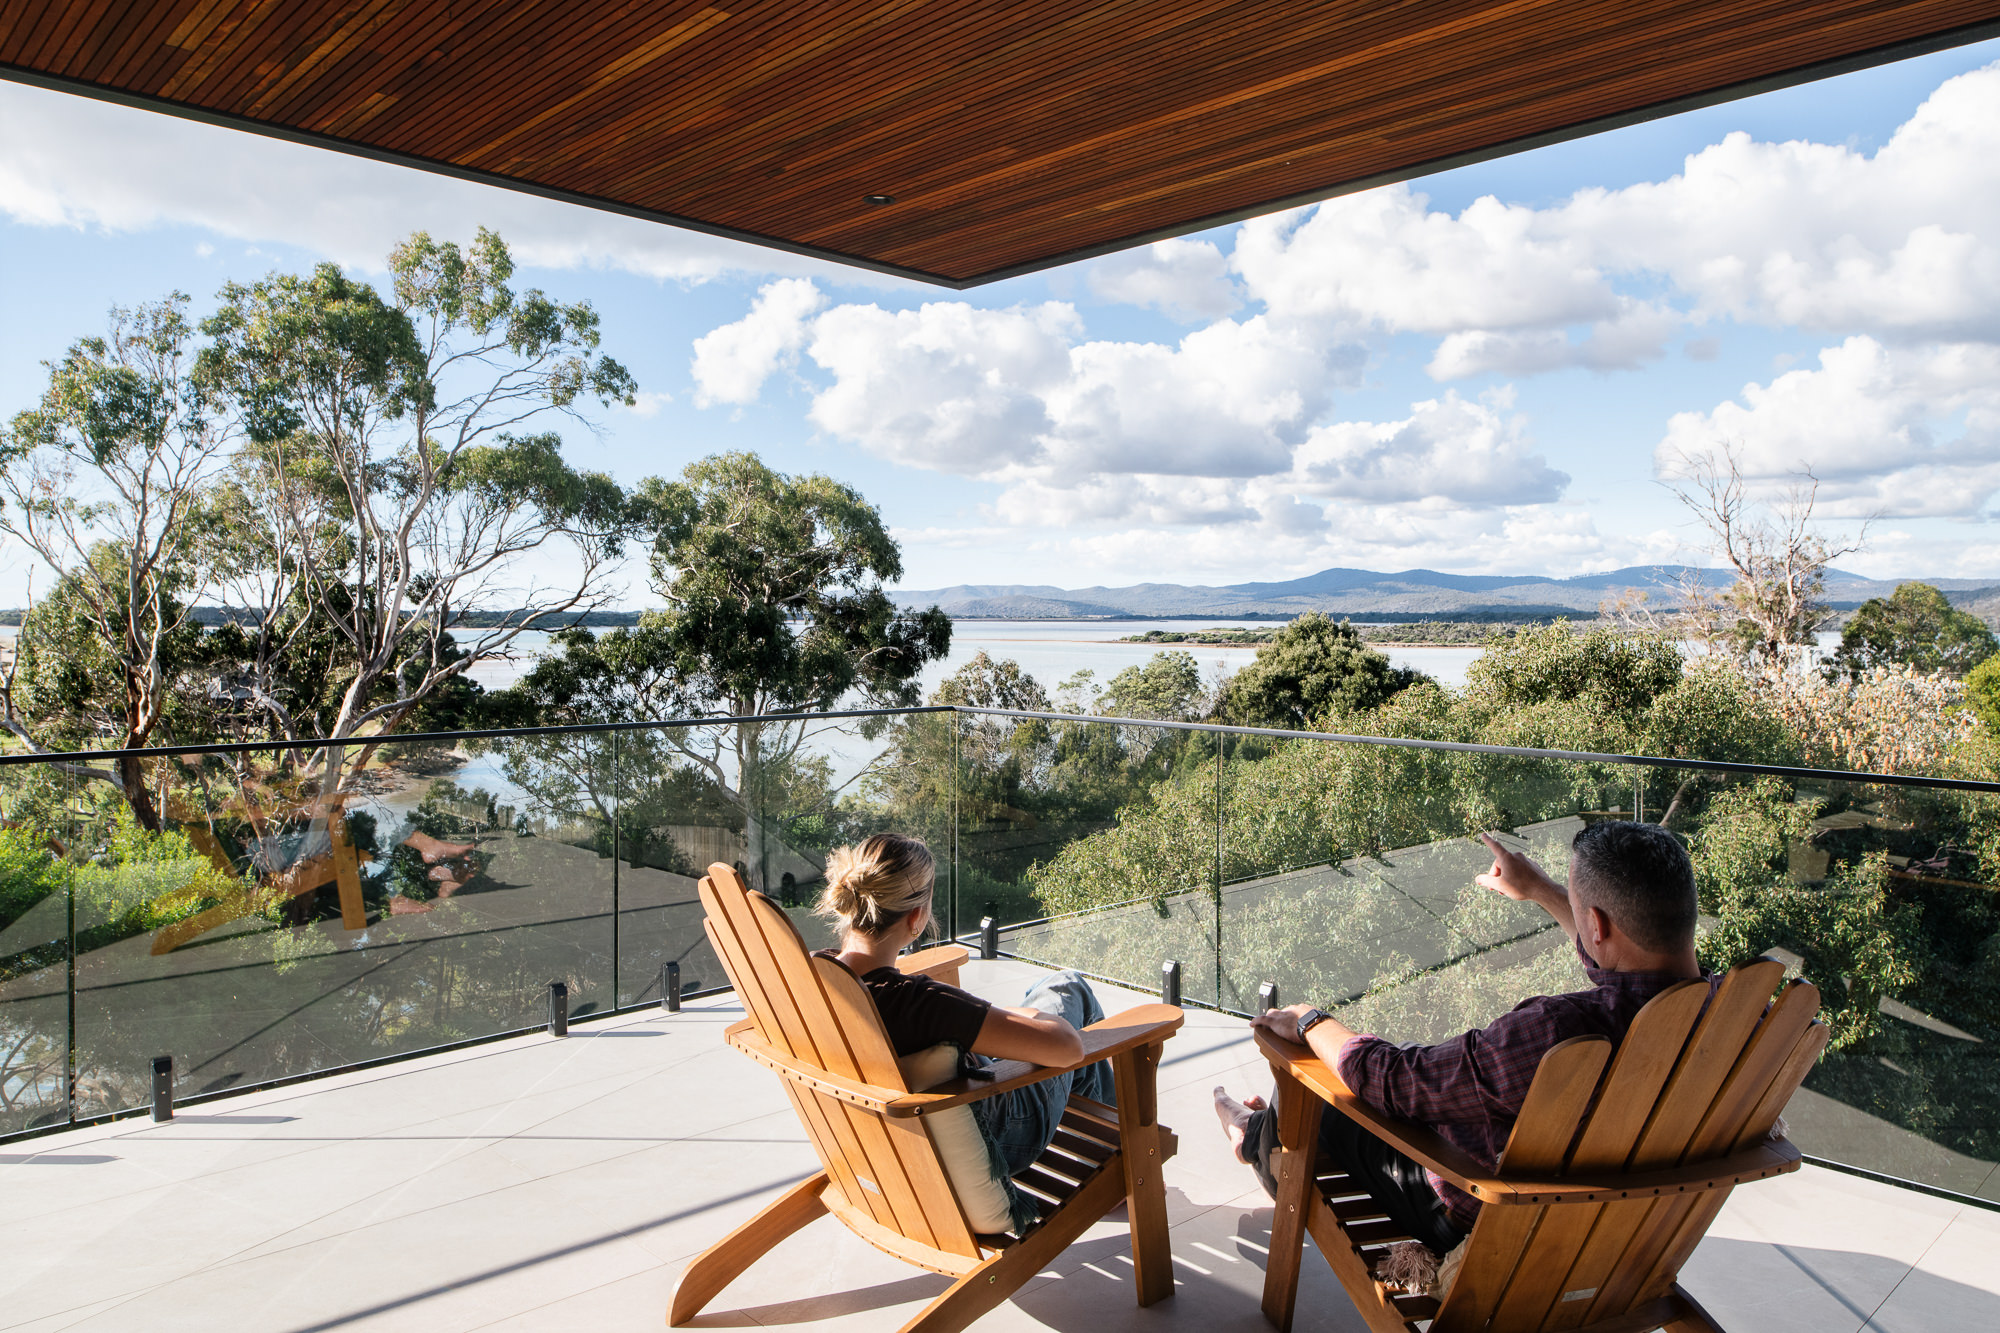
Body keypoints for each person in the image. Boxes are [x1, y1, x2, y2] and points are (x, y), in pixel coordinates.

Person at [1214, 820, 1711, 1257]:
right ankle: (1258, 1130)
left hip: (1480, 1222)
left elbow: (1393, 1080)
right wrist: (1540, 889)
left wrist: (1308, 1020)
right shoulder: (1729, 1020)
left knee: (1323, 1090)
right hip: (1628, 1238)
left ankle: (1251, 1138)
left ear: (1596, 925)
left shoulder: (1560, 1034)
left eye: (1583, 914)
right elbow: (1614, 964)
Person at [816, 832, 1115, 1174]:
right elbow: (1067, 1048)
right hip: (1001, 1134)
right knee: (1067, 987)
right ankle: (1121, 1165)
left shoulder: (815, 976)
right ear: (916, 918)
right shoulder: (920, 1003)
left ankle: (1106, 1156)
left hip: (884, 1143)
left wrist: (976, 1017)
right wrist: (1016, 1013)